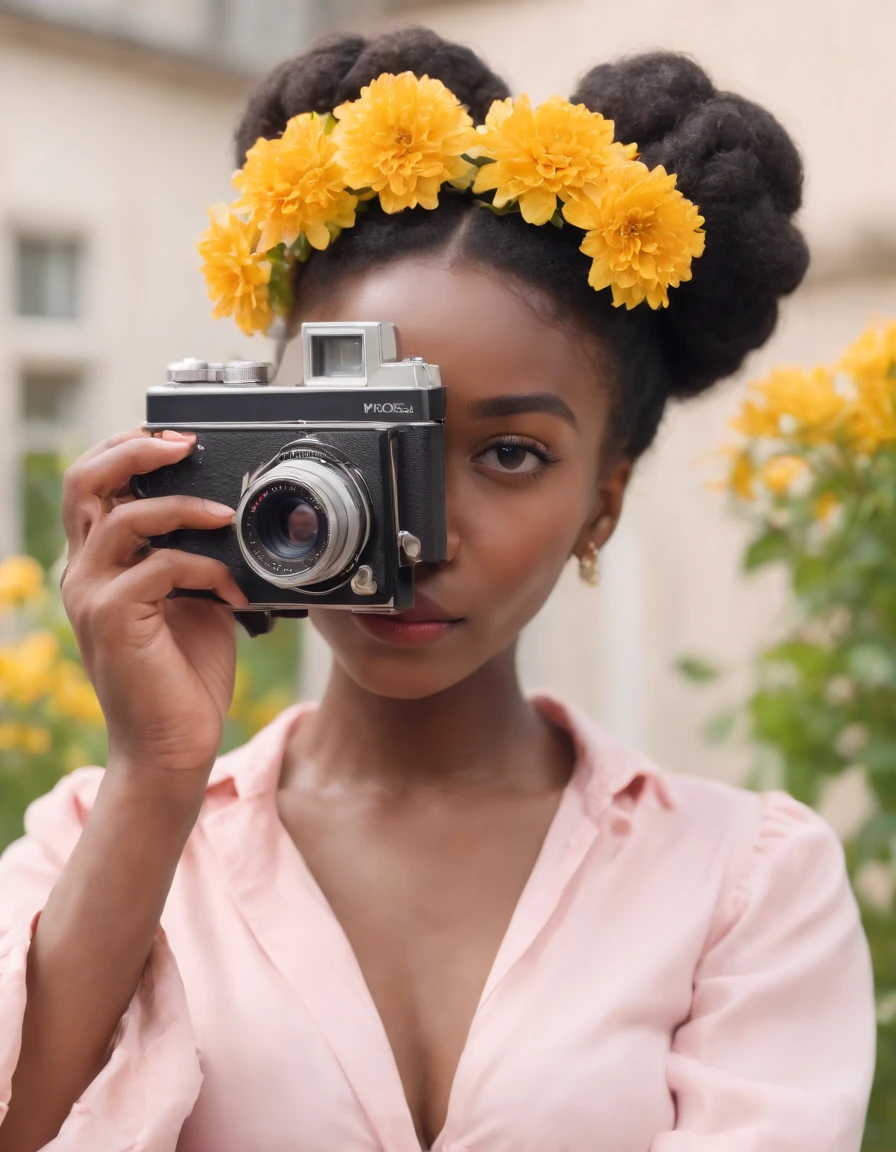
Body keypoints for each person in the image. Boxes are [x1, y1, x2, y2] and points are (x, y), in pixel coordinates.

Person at [0, 27, 876, 1152]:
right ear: (257, 440)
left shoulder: (742, 885)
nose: (415, 534)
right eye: (365, 446)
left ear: (602, 504)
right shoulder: (96, 839)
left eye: (509, 454)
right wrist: (156, 779)